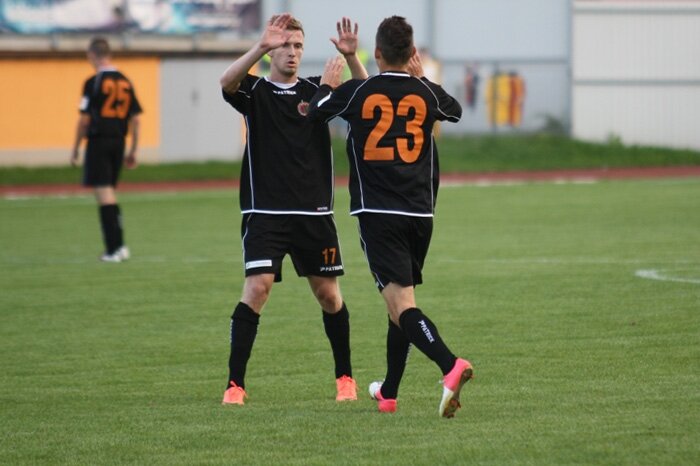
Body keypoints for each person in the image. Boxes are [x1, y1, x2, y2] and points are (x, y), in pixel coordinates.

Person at [308, 16, 472, 418]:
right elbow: (455, 111)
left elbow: (316, 113)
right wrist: (423, 79)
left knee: (402, 306)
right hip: (420, 213)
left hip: (379, 213)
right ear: (412, 53)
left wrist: (328, 84)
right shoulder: (424, 92)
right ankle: (389, 393)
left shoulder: (358, 91)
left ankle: (450, 365)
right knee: (398, 303)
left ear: (377, 52)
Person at [219, 14, 368, 405]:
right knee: (257, 288)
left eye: (298, 45)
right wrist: (259, 46)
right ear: (272, 49)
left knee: (329, 296)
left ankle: (345, 378)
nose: (292, 52)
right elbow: (226, 82)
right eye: (285, 45)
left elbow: (366, 94)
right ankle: (235, 384)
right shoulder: (254, 90)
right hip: (265, 213)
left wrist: (351, 58)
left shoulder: (319, 89)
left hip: (313, 214)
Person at [71, 37, 142, 263]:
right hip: (119, 141)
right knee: (109, 191)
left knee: (104, 194)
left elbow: (84, 120)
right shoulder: (125, 81)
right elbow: (136, 119)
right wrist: (133, 149)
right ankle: (119, 246)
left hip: (99, 140)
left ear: (92, 55)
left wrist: (75, 148)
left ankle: (114, 248)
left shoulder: (93, 82)